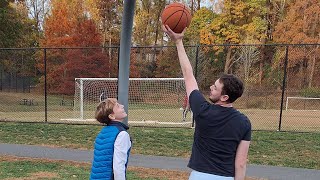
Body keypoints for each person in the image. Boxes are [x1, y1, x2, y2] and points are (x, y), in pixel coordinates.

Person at [162, 25, 251, 180]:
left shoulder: (203, 111)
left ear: (224, 97)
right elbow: (241, 163)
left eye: (215, 87)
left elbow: (188, 75)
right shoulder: (244, 122)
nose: (211, 87)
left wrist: (178, 42)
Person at [90, 98, 131, 180]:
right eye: (118, 106)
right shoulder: (121, 134)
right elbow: (118, 165)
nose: (122, 106)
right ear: (112, 116)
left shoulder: (103, 132)